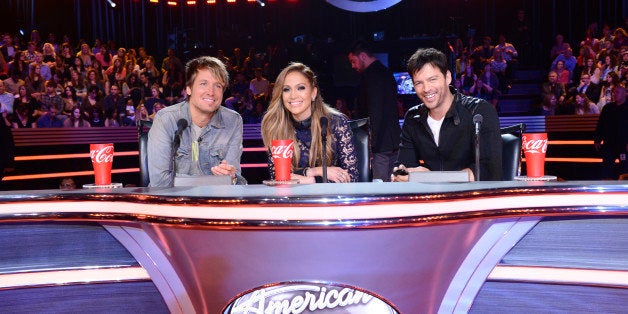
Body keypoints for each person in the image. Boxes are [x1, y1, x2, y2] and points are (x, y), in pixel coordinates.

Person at [391, 47, 502, 182]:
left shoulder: (479, 112)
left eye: (432, 79)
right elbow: (403, 170)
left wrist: (430, 178)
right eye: (419, 83)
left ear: (447, 77)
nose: (426, 89)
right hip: (429, 199)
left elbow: (488, 172)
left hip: (471, 199)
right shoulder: (413, 117)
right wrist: (400, 175)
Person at [147, 56, 245, 187]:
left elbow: (234, 180)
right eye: (203, 83)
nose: (211, 92)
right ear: (188, 89)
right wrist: (213, 183)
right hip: (174, 203)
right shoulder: (166, 119)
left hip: (214, 203)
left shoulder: (233, 121)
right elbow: (160, 182)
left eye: (218, 86)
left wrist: (233, 178)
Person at [261, 62, 358, 183]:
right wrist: (315, 172)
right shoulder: (276, 126)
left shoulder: (336, 123)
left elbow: (351, 178)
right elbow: (278, 178)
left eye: (300, 88)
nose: (293, 95)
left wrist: (309, 181)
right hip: (292, 199)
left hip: (331, 199)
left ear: (313, 93)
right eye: (286, 89)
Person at [348, 40, 401, 181]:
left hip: (380, 145)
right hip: (393, 141)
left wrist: (371, 146)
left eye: (354, 61)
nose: (353, 66)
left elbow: (375, 111)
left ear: (363, 56)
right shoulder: (386, 73)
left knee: (380, 188)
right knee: (392, 186)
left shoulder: (371, 77)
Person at [594, 86, 628, 179]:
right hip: (609, 144)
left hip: (624, 145)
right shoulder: (607, 108)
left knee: (625, 169)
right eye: (613, 92)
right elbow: (601, 124)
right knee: (606, 168)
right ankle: (607, 189)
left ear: (625, 94)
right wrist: (597, 139)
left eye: (617, 92)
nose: (614, 94)